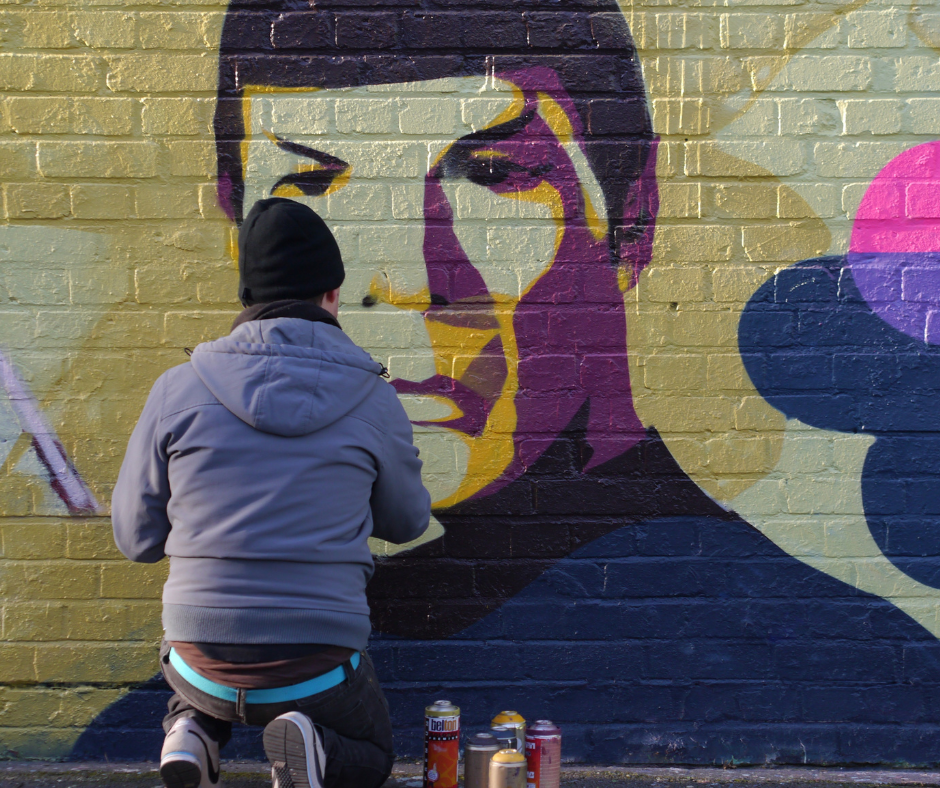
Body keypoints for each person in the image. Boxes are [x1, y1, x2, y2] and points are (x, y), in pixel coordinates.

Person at [111, 197, 431, 788]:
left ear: (246, 298)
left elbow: (137, 540)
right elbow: (408, 522)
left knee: (206, 665)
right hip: (316, 665)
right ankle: (314, 746)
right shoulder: (374, 398)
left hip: (198, 660)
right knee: (372, 751)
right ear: (332, 294)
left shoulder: (177, 390)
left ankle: (191, 732)